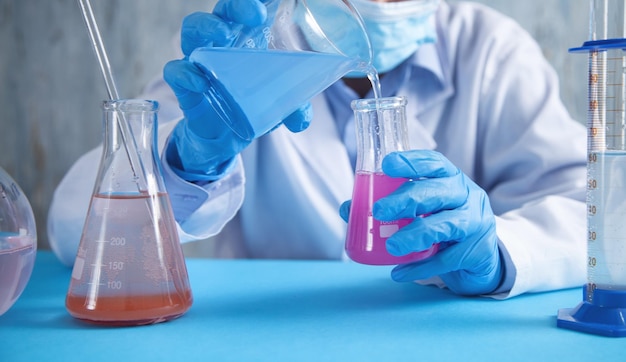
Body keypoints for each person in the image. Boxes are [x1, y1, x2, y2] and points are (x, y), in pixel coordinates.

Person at [48, 0, 588, 298]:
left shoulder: (490, 50)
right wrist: (192, 158)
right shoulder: (243, 57)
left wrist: (499, 253)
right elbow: (78, 228)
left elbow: (600, 218)